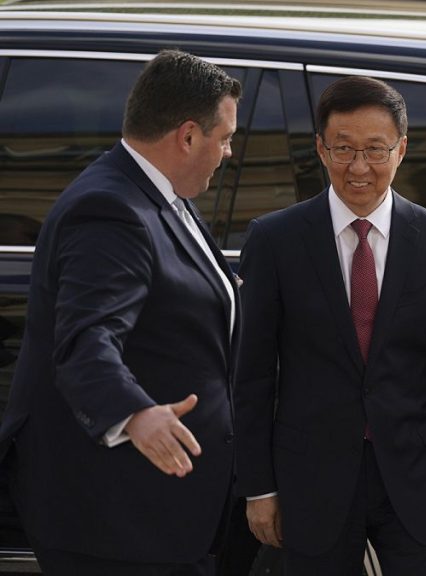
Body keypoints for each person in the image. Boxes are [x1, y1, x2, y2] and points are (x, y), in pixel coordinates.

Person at [234, 75, 426, 574]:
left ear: (401, 149)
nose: (358, 167)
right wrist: (258, 487)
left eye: (375, 149)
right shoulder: (275, 239)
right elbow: (254, 374)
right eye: (343, 148)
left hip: (417, 476)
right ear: (320, 148)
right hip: (310, 478)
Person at [0, 50, 241, 574]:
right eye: (225, 138)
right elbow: (85, 340)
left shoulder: (159, 193)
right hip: (115, 521)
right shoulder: (111, 210)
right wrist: (134, 414)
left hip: (160, 512)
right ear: (187, 136)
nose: (228, 152)